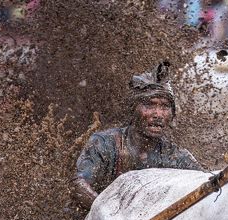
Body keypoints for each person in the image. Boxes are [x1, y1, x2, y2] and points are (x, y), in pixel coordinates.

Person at [71, 60, 202, 209]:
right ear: (133, 110)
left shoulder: (175, 157)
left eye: (165, 106)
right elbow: (78, 186)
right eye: (149, 105)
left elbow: (206, 185)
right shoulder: (105, 144)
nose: (158, 114)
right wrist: (109, 212)